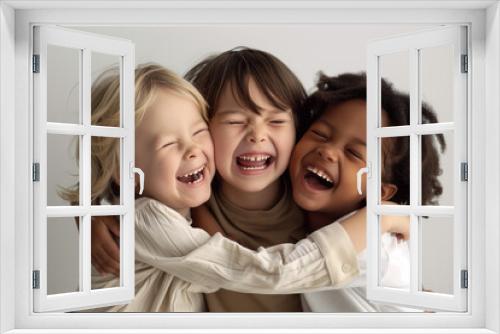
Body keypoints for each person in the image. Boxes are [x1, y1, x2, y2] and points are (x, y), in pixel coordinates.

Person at [66, 63, 407, 312]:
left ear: (297, 132)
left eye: (275, 121)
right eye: (233, 121)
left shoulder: (306, 198)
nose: (257, 134)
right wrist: (95, 209)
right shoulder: (174, 201)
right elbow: (257, 269)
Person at [288, 72, 445, 311]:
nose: (327, 151)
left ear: (380, 193)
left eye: (354, 153)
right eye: (319, 134)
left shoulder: (373, 247)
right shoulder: (297, 220)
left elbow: (279, 271)